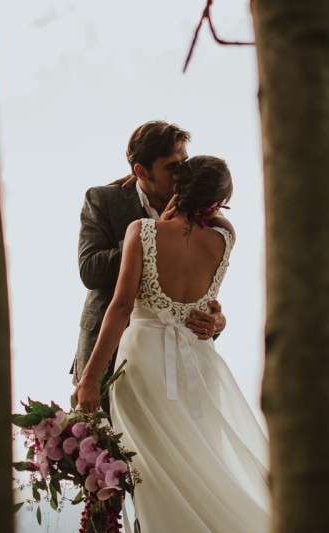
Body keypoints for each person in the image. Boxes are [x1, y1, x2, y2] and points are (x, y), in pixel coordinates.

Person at [73, 156, 270, 533]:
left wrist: (90, 378)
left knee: (152, 472)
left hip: (144, 363)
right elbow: (208, 305)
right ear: (220, 199)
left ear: (178, 184)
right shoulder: (225, 236)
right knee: (203, 466)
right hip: (199, 364)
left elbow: (120, 307)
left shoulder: (142, 231)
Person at [72, 121, 226, 408]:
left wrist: (217, 321)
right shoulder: (103, 199)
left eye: (185, 162)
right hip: (109, 356)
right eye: (171, 167)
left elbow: (198, 289)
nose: (182, 173)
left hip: (180, 365)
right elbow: (90, 270)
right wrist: (153, 235)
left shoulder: (201, 214)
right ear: (141, 171)